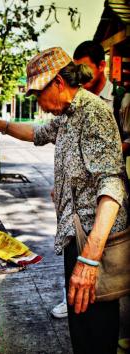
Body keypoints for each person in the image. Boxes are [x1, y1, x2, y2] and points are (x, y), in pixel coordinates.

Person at [0, 47, 129, 354]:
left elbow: (112, 183)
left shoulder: (92, 112)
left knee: (95, 331)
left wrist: (90, 259)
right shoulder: (66, 114)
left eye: (37, 94)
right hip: (75, 235)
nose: (38, 103)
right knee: (80, 326)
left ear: (57, 82)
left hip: (94, 240)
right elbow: (36, 133)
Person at [51, 40, 130, 319]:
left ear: (101, 67)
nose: (81, 74)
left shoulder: (113, 102)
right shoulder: (75, 105)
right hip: (84, 213)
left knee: (105, 285)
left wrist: (105, 154)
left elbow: (111, 178)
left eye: (85, 67)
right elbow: (42, 133)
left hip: (110, 198)